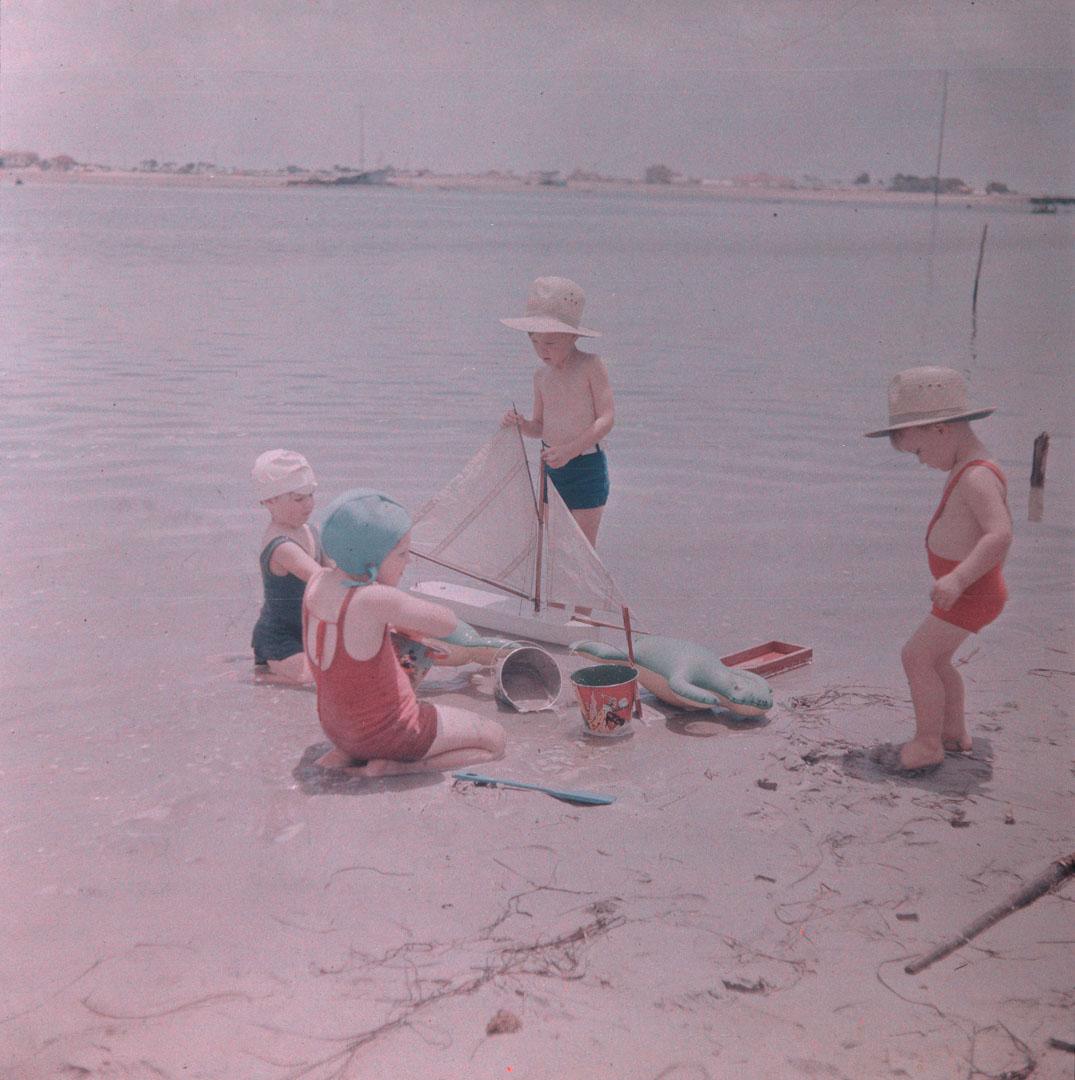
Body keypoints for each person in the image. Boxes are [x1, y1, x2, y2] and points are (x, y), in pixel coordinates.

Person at [865, 367, 1012, 775]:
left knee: (916, 656)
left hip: (972, 591)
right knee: (938, 661)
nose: (920, 462)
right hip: (975, 591)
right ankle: (952, 732)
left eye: (918, 452)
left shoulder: (977, 476)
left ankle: (928, 743)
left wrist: (958, 577)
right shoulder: (968, 467)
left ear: (942, 430)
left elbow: (999, 535)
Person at [302, 488, 507, 776]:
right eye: (402, 554)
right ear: (370, 562)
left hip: (337, 729)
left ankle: (347, 753)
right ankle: (396, 768)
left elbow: (350, 634)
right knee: (495, 740)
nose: (407, 562)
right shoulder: (374, 599)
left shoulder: (317, 581)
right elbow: (445, 622)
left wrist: (392, 623)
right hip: (389, 734)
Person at [500, 276, 614, 548]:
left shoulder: (591, 365)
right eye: (535, 343)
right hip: (552, 466)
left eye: (550, 344)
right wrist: (520, 424)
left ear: (572, 336)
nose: (542, 351)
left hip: (586, 466)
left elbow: (607, 419)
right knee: (552, 547)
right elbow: (539, 426)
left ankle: (581, 593)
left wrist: (571, 450)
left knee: (583, 551)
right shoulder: (541, 376)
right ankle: (553, 594)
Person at [251, 449, 325, 684]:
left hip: (309, 631)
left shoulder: (311, 530)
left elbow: (337, 570)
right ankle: (260, 677)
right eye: (298, 499)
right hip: (280, 639)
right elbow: (322, 578)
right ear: (270, 500)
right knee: (313, 678)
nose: (309, 505)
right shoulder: (281, 546)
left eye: (311, 495)